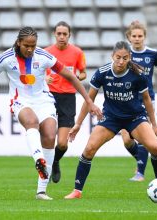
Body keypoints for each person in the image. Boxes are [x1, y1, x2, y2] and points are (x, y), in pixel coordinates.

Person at [0, 26, 102, 200]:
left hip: (44, 100)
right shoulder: (6, 58)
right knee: (31, 121)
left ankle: (41, 191)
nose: (30, 49)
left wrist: (89, 101)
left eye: (33, 45)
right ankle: (39, 160)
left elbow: (70, 76)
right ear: (19, 43)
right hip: (20, 101)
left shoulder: (43, 56)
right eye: (27, 46)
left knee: (49, 134)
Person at [64, 41, 157, 199]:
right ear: (112, 56)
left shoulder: (138, 74)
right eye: (118, 57)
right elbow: (88, 100)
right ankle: (77, 191)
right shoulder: (102, 73)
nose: (121, 61)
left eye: (125, 58)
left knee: (155, 147)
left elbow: (147, 100)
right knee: (89, 149)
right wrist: (77, 124)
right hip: (111, 118)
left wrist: (155, 125)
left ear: (129, 57)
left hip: (135, 117)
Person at [121, 21, 157, 182]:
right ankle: (142, 160)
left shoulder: (152, 53)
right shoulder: (125, 55)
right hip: (127, 100)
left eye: (140, 36)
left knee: (144, 135)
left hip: (146, 99)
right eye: (134, 36)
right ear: (128, 37)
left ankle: (140, 172)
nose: (137, 39)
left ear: (144, 37)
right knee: (127, 140)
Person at [44, 21, 87, 184]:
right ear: (55, 34)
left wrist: (75, 77)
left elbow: (83, 74)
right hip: (48, 96)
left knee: (62, 143)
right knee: (47, 138)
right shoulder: (46, 52)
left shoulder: (77, 52)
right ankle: (45, 170)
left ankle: (55, 161)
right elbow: (36, 72)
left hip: (68, 98)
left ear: (69, 35)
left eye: (65, 34)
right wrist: (43, 78)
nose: (62, 37)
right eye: (59, 33)